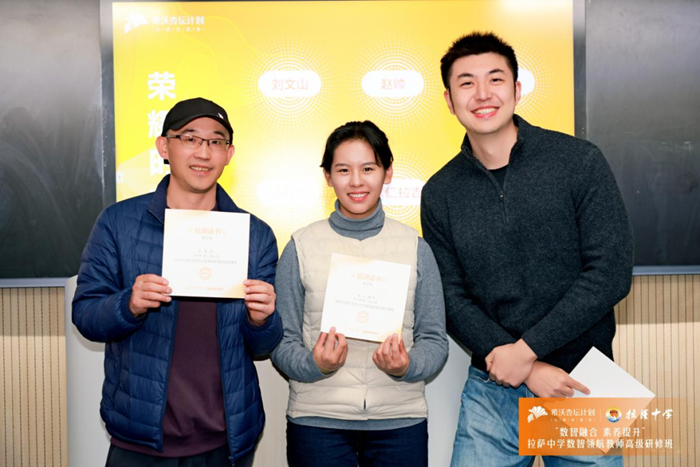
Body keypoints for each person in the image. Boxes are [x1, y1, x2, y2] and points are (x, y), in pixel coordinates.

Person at [420, 32, 633, 466]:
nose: (482, 94)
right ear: (449, 101)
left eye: (495, 79)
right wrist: (525, 368)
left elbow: (609, 272)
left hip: (580, 380)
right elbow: (451, 297)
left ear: (516, 90)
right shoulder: (440, 192)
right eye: (466, 82)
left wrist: (527, 351)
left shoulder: (579, 161)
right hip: (492, 387)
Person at [72, 97, 282, 466]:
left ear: (229, 154)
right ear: (164, 147)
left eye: (216, 141)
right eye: (190, 138)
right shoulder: (118, 223)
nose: (204, 152)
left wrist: (262, 319)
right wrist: (129, 304)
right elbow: (86, 315)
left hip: (226, 440)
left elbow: (262, 347)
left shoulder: (255, 234)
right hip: (139, 438)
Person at [271, 121, 448, 467]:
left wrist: (407, 366)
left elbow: (434, 339)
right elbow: (282, 340)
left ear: (388, 172)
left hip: (399, 420)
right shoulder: (300, 246)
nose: (356, 181)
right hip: (317, 420)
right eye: (343, 170)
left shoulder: (415, 247)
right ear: (327, 177)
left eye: (368, 168)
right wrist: (315, 365)